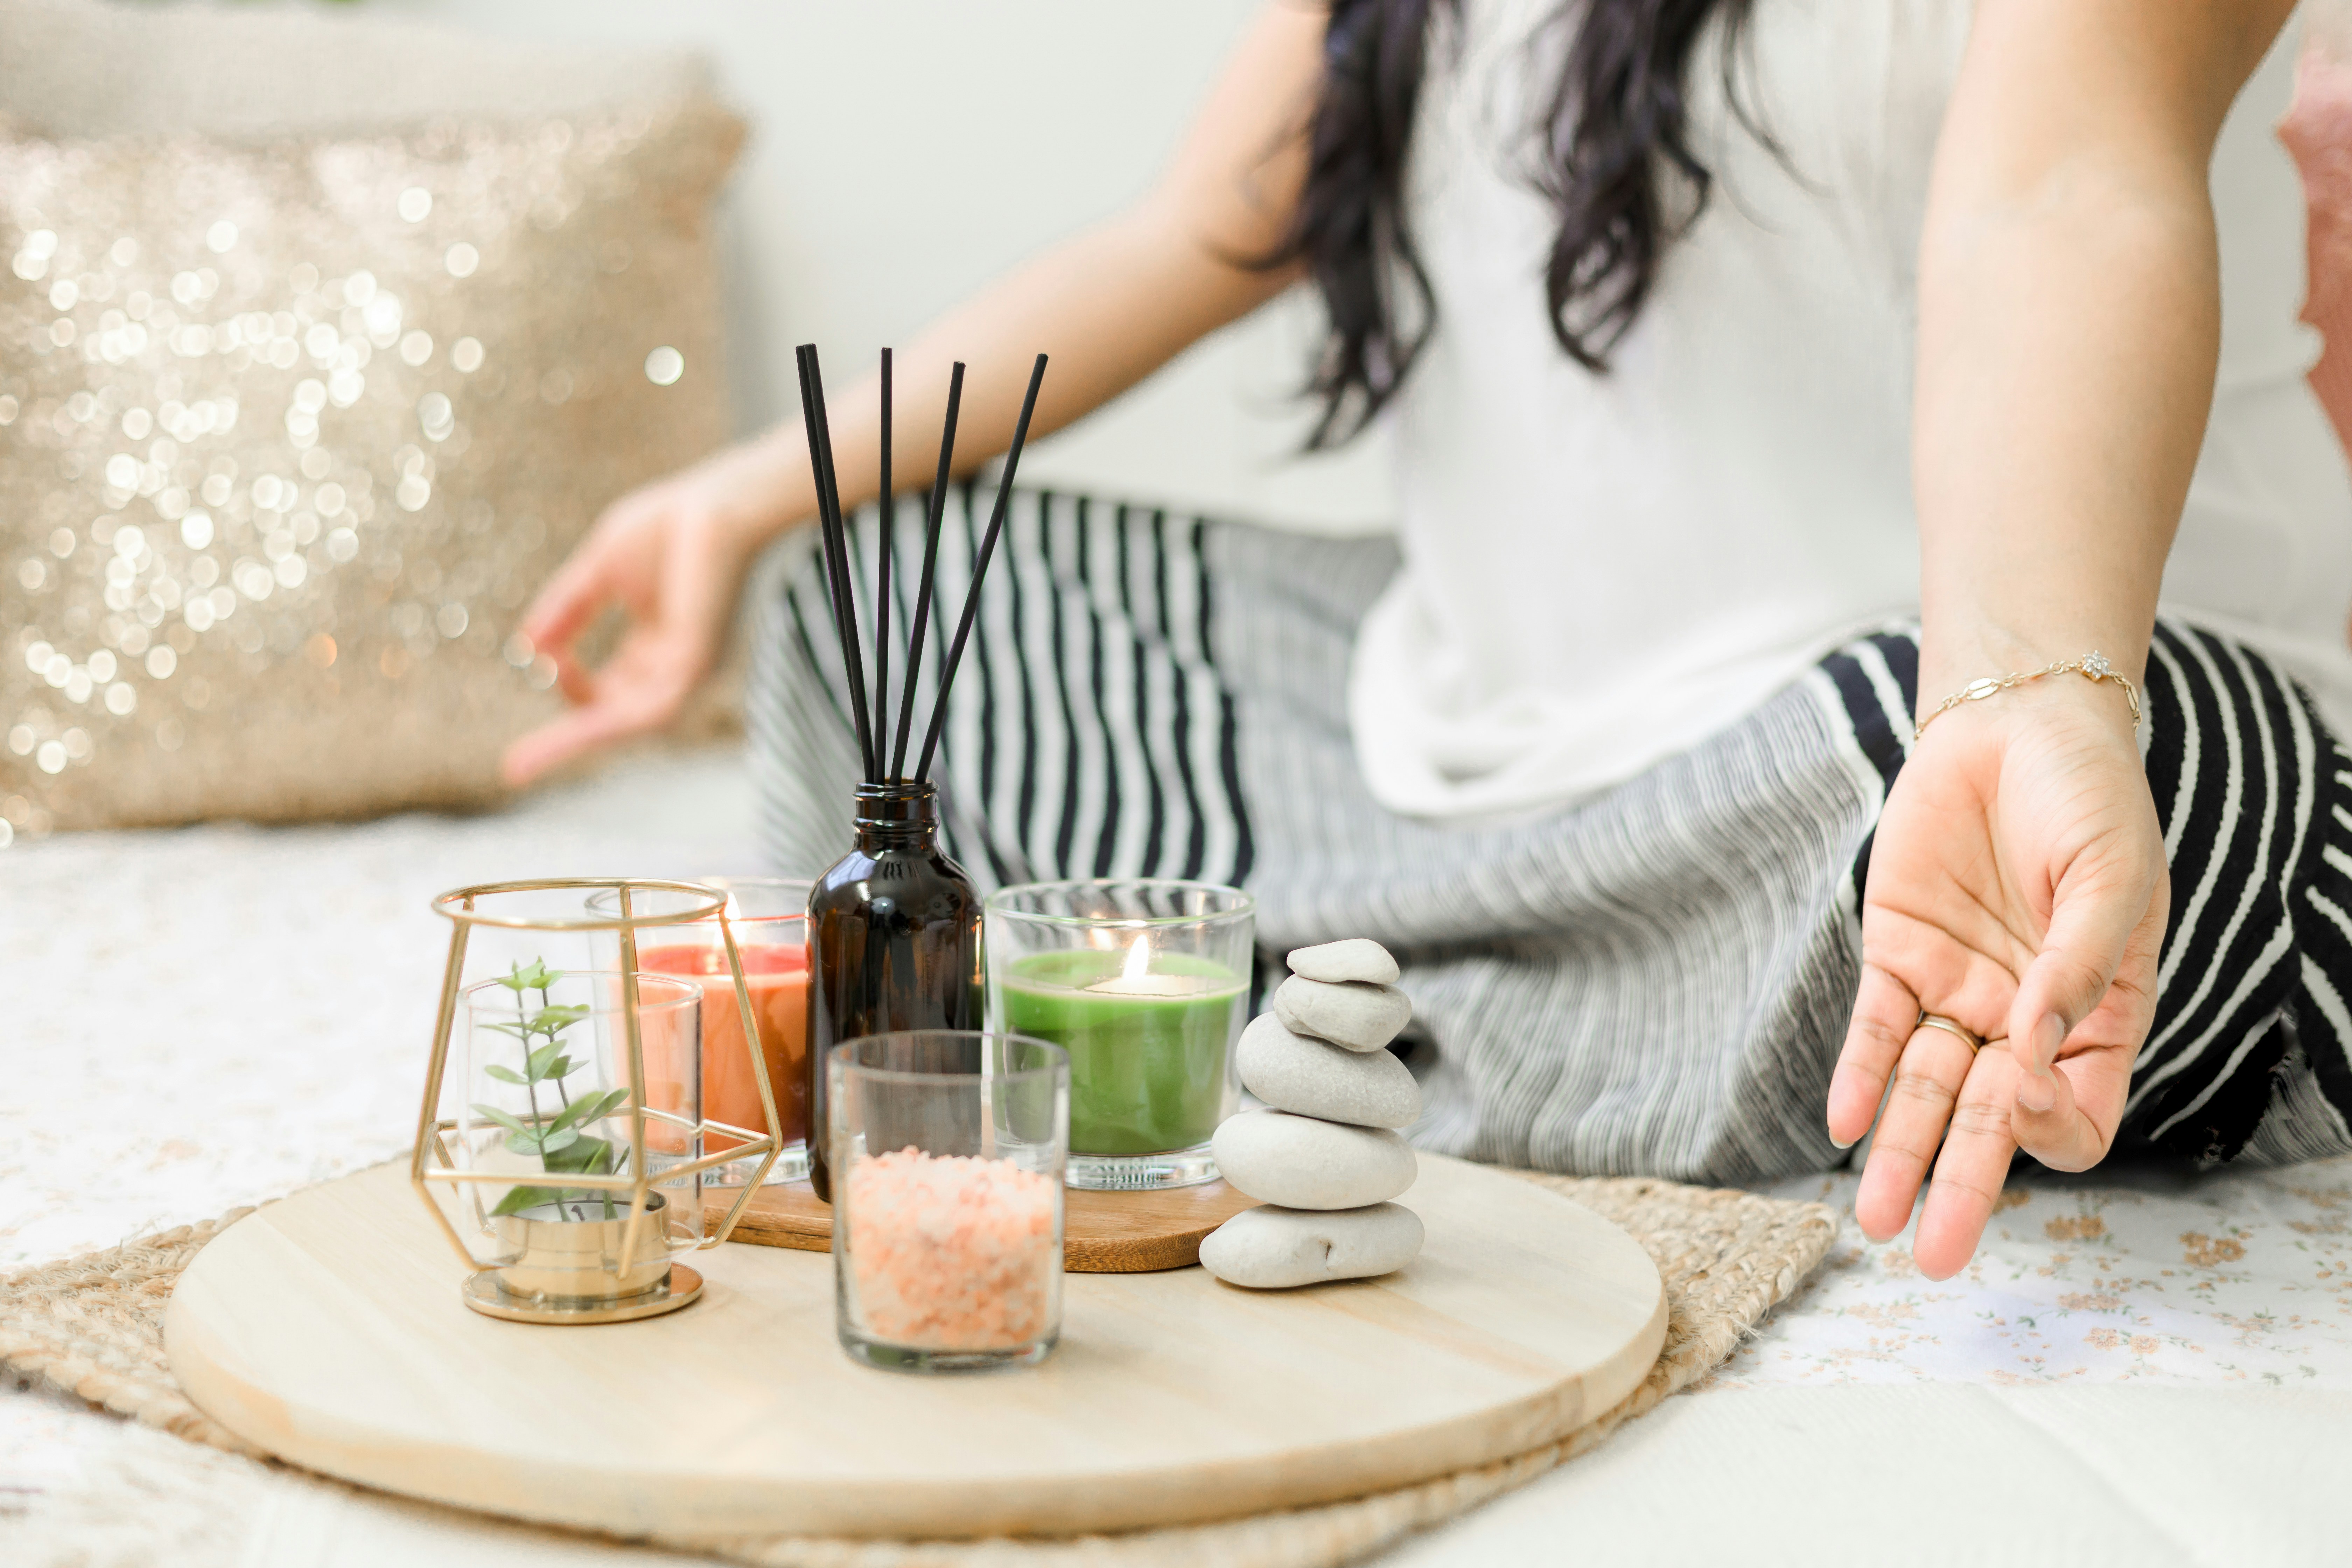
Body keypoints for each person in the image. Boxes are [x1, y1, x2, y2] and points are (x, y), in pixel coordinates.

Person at [504, 0, 2352, 1278]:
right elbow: (1199, 232)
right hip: (1471, 758)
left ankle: (1348, 1023)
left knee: (2151, 802)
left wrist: (2029, 685)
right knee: (886, 598)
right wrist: (741, 499)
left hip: (1943, 737)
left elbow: (2062, 185)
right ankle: (1498, 1020)